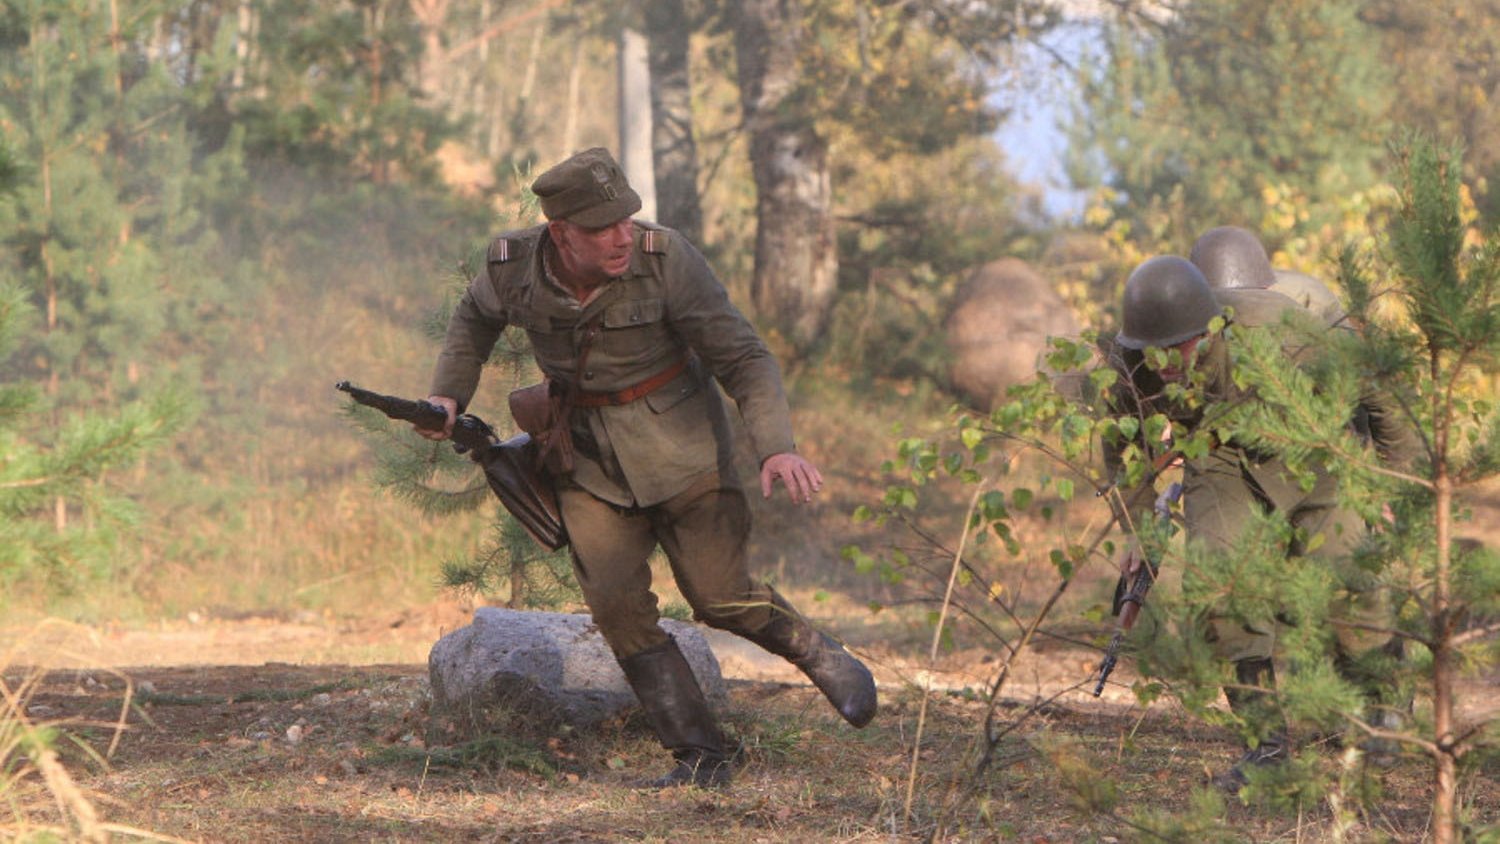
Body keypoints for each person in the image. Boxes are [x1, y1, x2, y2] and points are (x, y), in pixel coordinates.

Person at [417, 147, 877, 789]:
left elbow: (744, 356)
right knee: (616, 606)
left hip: (686, 450)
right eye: (603, 228)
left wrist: (775, 444)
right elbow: (472, 323)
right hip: (587, 462)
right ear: (561, 233)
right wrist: (448, 396)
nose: (622, 237)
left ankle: (816, 652)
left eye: (626, 220)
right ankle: (702, 755)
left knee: (719, 599)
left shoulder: (666, 259)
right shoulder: (512, 267)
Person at [1104, 255, 1418, 790]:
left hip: (1311, 443)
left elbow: (1378, 394)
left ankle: (1383, 706)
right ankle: (1266, 746)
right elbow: (1120, 444)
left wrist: (1389, 483)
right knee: (1220, 584)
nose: (1163, 364)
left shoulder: (1279, 330)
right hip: (1219, 456)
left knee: (1346, 578)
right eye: (1150, 353)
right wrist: (1136, 525)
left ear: (1209, 329)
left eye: (1174, 349)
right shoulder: (1131, 362)